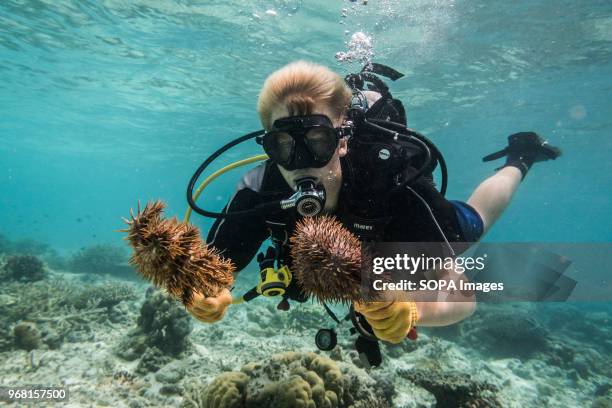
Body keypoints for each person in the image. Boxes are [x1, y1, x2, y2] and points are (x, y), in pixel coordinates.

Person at [186, 60, 561, 344]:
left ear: (343, 140)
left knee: (474, 223)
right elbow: (215, 271)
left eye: (317, 142)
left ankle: (521, 158)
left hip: (390, 227)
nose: (302, 163)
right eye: (283, 146)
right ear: (269, 148)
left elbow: (464, 295)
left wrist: (415, 309)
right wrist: (210, 293)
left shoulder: (390, 177)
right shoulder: (258, 189)